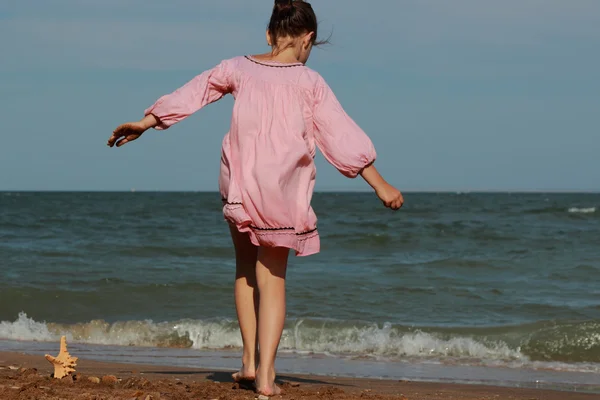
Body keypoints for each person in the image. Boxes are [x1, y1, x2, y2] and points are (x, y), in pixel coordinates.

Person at [107, 0, 403, 395]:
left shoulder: (237, 68)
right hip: (279, 191)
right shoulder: (308, 81)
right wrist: (379, 182)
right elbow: (340, 133)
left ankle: (248, 362)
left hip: (239, 185)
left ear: (269, 34)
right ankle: (265, 376)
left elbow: (194, 92)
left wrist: (148, 121)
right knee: (273, 279)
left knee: (245, 268)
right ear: (307, 39)